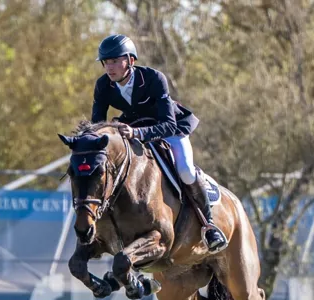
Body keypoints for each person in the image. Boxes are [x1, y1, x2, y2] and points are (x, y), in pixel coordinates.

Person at [90, 34, 228, 254]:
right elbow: (97, 124)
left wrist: (136, 132)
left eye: (115, 61)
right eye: (106, 62)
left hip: (169, 129)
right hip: (134, 129)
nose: (110, 67)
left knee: (185, 170)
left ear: (130, 61)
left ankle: (209, 226)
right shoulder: (103, 85)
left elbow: (168, 124)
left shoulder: (154, 78)